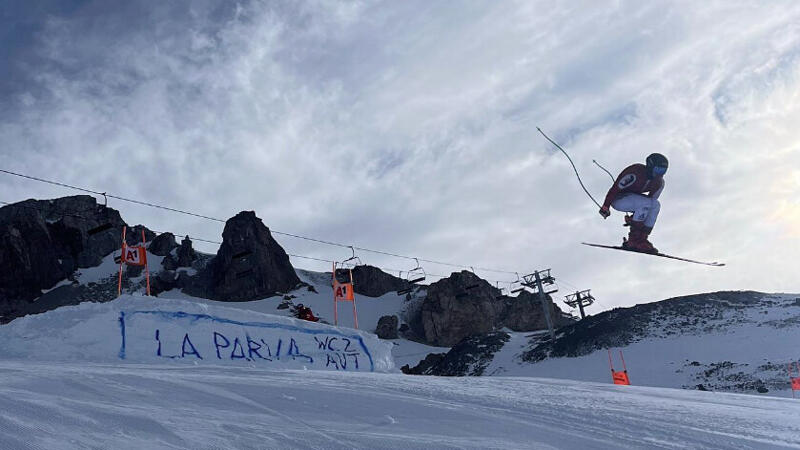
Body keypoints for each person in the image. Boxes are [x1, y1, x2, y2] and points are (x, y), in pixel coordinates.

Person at [599, 153, 668, 253]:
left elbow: (650, 201)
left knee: (656, 205)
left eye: (663, 171)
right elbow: (615, 189)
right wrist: (606, 206)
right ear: (650, 166)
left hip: (636, 200)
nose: (660, 174)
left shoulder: (659, 182)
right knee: (646, 203)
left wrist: (635, 217)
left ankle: (642, 238)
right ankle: (634, 239)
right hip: (619, 199)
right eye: (658, 169)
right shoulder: (634, 173)